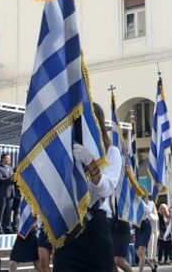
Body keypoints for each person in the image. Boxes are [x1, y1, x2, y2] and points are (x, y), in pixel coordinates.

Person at [52, 103, 121, 271]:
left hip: (94, 224)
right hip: (68, 224)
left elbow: (107, 188)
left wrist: (91, 163)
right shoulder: (67, 151)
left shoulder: (111, 152)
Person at [135, 196, 157, 272]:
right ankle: (152, 266)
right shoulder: (135, 202)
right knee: (139, 254)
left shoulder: (150, 203)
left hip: (146, 226)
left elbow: (148, 211)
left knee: (141, 251)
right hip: (137, 226)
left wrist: (141, 201)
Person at [0, 154, 15, 234]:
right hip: (2, 193)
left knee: (9, 212)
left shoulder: (11, 168)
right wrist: (10, 179)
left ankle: (7, 226)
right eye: (7, 158)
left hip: (10, 193)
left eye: (9, 158)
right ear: (2, 159)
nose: (8, 160)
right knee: (0, 212)